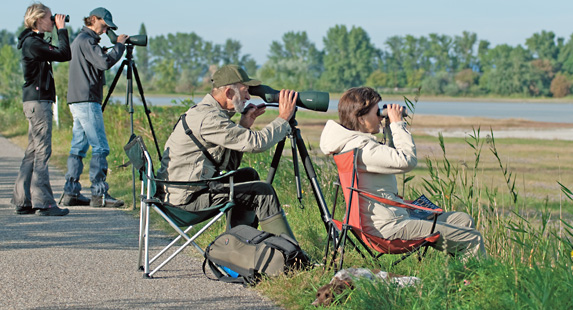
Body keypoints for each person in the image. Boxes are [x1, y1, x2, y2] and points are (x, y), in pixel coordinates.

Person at [319, 87, 486, 259]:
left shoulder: (355, 146)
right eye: (377, 112)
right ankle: (473, 283)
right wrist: (398, 123)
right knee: (472, 238)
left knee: (462, 221)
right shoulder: (363, 150)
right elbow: (406, 161)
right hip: (388, 228)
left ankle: (459, 275)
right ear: (361, 118)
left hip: (389, 218)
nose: (380, 116)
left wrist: (391, 128)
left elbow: (391, 159)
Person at [157, 65, 298, 241]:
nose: (248, 97)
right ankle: (288, 253)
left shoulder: (208, 112)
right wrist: (283, 118)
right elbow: (256, 143)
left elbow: (228, 165)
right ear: (229, 93)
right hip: (185, 202)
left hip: (183, 191)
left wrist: (244, 124)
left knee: (248, 176)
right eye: (245, 91)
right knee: (263, 191)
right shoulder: (209, 118)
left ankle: (241, 244)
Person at [62, 7, 129, 208]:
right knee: (100, 146)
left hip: (77, 99)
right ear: (93, 19)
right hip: (87, 100)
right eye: (104, 25)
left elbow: (97, 61)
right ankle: (99, 194)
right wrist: (119, 47)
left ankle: (71, 192)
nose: (105, 29)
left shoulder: (81, 40)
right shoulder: (87, 40)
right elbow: (104, 63)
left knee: (78, 146)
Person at [12, 3, 71, 216]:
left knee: (32, 151)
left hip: (34, 101)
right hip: (38, 102)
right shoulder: (33, 44)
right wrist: (62, 29)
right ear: (38, 20)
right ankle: (44, 202)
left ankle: (22, 200)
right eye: (49, 18)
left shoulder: (31, 41)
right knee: (42, 152)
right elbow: (64, 54)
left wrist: (55, 29)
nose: (53, 21)